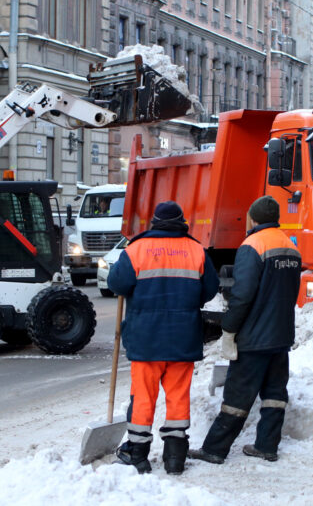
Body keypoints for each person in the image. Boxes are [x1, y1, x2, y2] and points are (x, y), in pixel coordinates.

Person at [107, 201, 219, 475]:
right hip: (183, 338)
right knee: (178, 397)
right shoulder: (197, 250)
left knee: (143, 396)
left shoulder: (136, 249)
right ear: (182, 222)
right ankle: (175, 457)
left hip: (146, 340)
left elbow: (117, 284)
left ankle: (137, 454)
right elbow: (210, 290)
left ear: (155, 222)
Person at [189, 195, 301, 464]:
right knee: (275, 395)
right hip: (280, 335)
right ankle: (266, 446)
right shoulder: (290, 246)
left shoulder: (253, 245)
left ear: (253, 218)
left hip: (254, 337)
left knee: (237, 395)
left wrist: (229, 325)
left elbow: (242, 294)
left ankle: (215, 449)